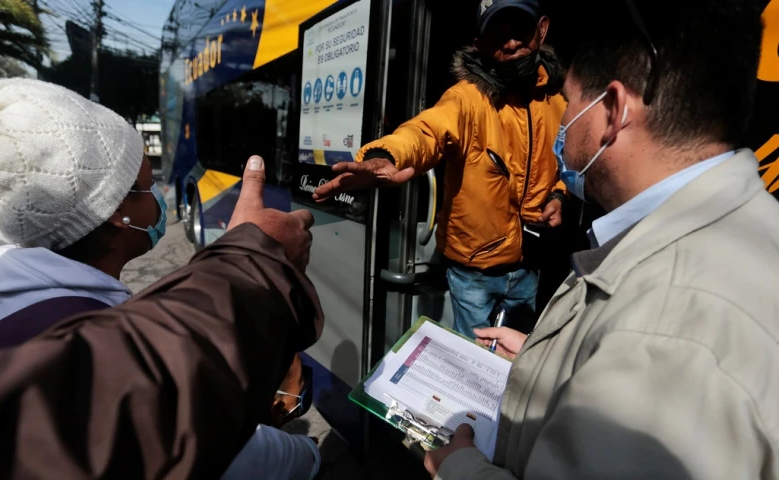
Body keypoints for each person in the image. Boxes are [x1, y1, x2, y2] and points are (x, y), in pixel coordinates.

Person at [423, 0, 779, 478]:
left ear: (611, 111)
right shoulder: (743, 233)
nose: (563, 123)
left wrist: (461, 468)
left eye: (568, 103)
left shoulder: (667, 331)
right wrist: (542, 362)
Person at [0, 79, 321, 479]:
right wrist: (309, 453)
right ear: (113, 212)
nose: (160, 193)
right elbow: (248, 458)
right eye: (146, 185)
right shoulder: (93, 341)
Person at [313, 0, 567, 338]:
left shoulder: (559, 100)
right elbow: (427, 130)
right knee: (472, 365)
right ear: (479, 45)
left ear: (542, 30)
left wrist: (558, 196)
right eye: (497, 34)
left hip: (531, 266)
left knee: (516, 365)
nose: (510, 43)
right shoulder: (466, 99)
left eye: (519, 29)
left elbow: (566, 163)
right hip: (473, 272)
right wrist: (387, 153)